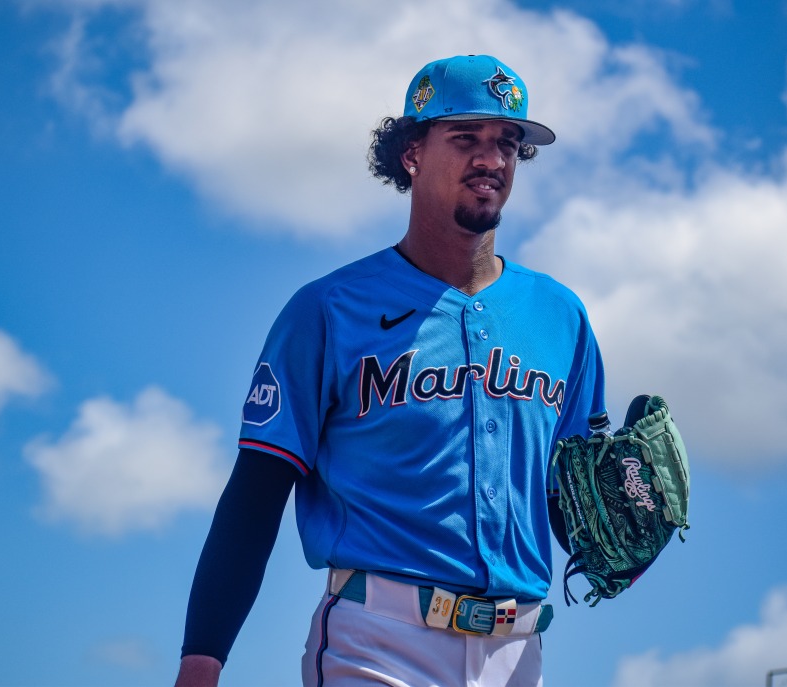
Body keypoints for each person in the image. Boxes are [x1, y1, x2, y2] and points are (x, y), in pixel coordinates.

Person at [174, 54, 605, 687]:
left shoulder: (560, 316)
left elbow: (575, 501)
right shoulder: (328, 309)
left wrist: (623, 533)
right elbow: (256, 493)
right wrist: (202, 659)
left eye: (507, 143)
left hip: (520, 650)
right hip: (379, 642)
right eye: (466, 138)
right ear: (411, 154)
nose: (491, 159)